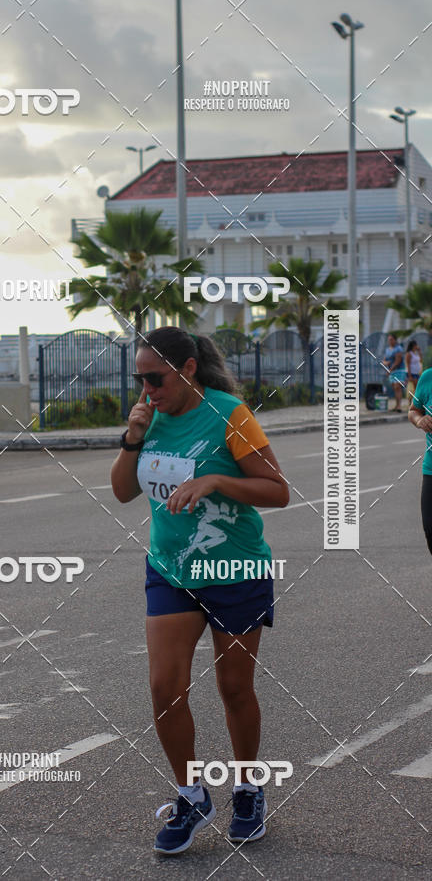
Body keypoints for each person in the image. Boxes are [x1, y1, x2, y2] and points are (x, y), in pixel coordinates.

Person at [110, 327, 289, 854]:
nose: (147, 390)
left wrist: (215, 481)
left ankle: (248, 788)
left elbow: (277, 490)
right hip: (171, 570)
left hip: (235, 570)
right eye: (140, 380)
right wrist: (132, 438)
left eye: (156, 379)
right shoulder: (149, 418)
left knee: (234, 688)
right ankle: (191, 795)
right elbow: (122, 491)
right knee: (164, 689)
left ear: (188, 369)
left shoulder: (229, 414)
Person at [408, 366, 432, 554]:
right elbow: (413, 410)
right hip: (431, 469)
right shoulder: (428, 377)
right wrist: (419, 420)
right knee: (430, 527)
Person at [382, 333, 406, 412]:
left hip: (398, 370)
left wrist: (390, 370)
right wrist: (386, 363)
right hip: (391, 371)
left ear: (395, 340)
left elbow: (397, 361)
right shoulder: (387, 349)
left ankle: (399, 406)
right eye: (389, 340)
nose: (390, 341)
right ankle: (396, 405)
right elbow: (384, 360)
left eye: (391, 339)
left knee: (397, 387)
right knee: (394, 388)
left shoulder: (398, 349)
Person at [405, 340, 423, 407]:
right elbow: (408, 365)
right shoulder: (409, 354)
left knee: (416, 388)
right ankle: (411, 402)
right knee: (414, 388)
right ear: (413, 346)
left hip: (417, 373)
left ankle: (413, 402)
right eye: (415, 345)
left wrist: (419, 351)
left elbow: (421, 360)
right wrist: (409, 376)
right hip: (412, 373)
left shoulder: (415, 353)